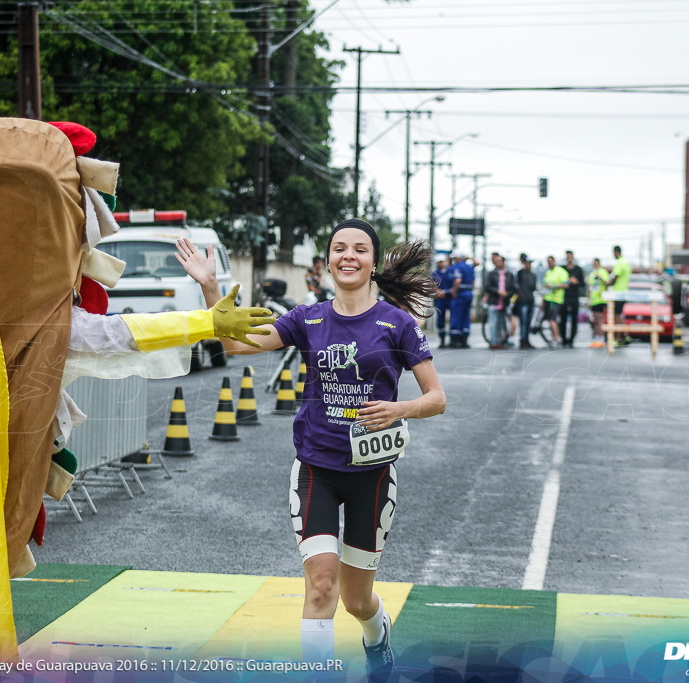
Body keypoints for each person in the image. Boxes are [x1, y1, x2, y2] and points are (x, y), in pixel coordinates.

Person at [176, 220, 446, 677]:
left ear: (372, 263)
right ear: (326, 262)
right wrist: (210, 286)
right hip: (316, 468)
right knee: (322, 586)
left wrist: (398, 409)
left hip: (373, 476)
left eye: (359, 249)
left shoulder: (397, 323)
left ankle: (376, 635)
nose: (349, 256)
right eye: (339, 248)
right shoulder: (308, 317)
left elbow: (436, 398)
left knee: (355, 600)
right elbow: (233, 343)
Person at [484, 254, 515, 349]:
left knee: (502, 323)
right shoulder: (491, 274)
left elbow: (513, 288)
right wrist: (498, 292)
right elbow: (487, 286)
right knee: (493, 323)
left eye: (499, 261)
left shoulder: (509, 274)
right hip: (494, 301)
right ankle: (494, 342)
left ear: (503, 262)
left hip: (504, 302)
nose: (497, 263)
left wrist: (507, 294)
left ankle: (502, 340)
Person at [447, 252, 476, 348]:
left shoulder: (458, 267)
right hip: (469, 293)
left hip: (461, 294)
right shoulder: (469, 267)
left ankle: (455, 340)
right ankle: (464, 340)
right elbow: (473, 281)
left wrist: (454, 291)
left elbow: (458, 280)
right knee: (465, 316)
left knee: (456, 316)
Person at [606, 245, 632, 345]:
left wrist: (608, 283)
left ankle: (619, 338)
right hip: (624, 291)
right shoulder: (626, 263)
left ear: (616, 252)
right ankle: (625, 334)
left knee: (616, 316)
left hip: (617, 293)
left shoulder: (619, 263)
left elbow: (615, 277)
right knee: (619, 314)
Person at [542, 256, 569, 348]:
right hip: (548, 299)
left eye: (550, 261)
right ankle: (554, 338)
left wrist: (554, 286)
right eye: (548, 262)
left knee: (552, 319)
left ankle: (556, 339)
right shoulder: (548, 273)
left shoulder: (561, 272)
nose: (549, 264)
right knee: (550, 320)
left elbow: (566, 285)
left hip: (556, 299)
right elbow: (545, 286)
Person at [560, 250, 585, 348]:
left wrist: (576, 282)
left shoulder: (578, 270)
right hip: (564, 297)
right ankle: (563, 339)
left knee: (574, 319)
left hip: (574, 297)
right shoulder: (562, 269)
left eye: (570, 257)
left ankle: (571, 339)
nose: (569, 259)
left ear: (573, 258)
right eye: (567, 257)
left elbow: (583, 284)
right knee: (563, 319)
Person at [513, 254, 537, 349]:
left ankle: (527, 339)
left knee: (528, 322)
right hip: (522, 301)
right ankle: (523, 340)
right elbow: (516, 284)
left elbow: (533, 287)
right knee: (523, 322)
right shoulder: (520, 273)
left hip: (530, 300)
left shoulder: (532, 275)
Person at [586, 258, 609, 347]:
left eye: (596, 263)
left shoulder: (603, 272)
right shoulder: (591, 274)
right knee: (594, 320)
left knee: (600, 320)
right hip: (594, 300)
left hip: (601, 299)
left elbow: (607, 283)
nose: (595, 265)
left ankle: (602, 338)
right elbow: (589, 288)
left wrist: (600, 278)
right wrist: (588, 300)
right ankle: (597, 337)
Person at [432, 255, 452, 348]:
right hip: (440, 299)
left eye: (442, 261)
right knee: (441, 320)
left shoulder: (450, 272)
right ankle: (442, 340)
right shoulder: (435, 274)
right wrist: (439, 293)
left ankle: (453, 339)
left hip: (450, 298)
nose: (441, 263)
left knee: (453, 318)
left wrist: (448, 292)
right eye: (439, 261)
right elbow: (433, 286)